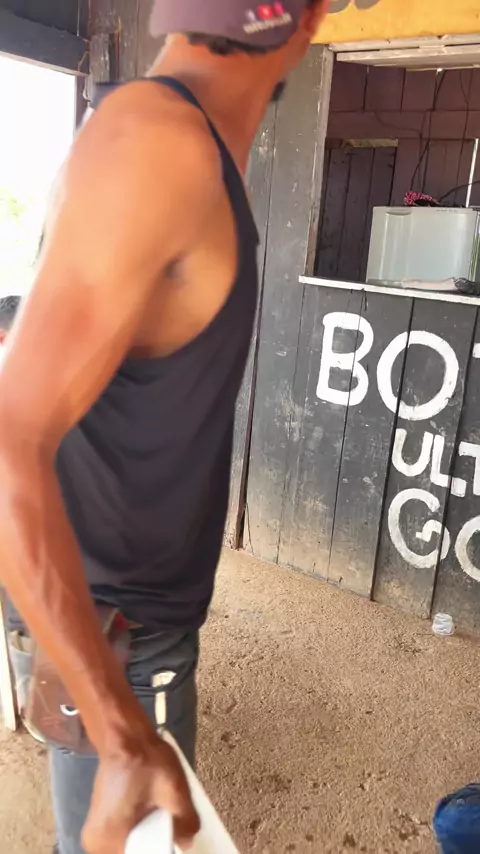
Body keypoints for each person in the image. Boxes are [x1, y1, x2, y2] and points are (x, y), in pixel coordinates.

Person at [0, 2, 328, 853]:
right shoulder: (158, 144)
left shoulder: (169, 136)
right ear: (304, 20)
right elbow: (7, 444)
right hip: (117, 634)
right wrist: (117, 729)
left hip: (122, 618)